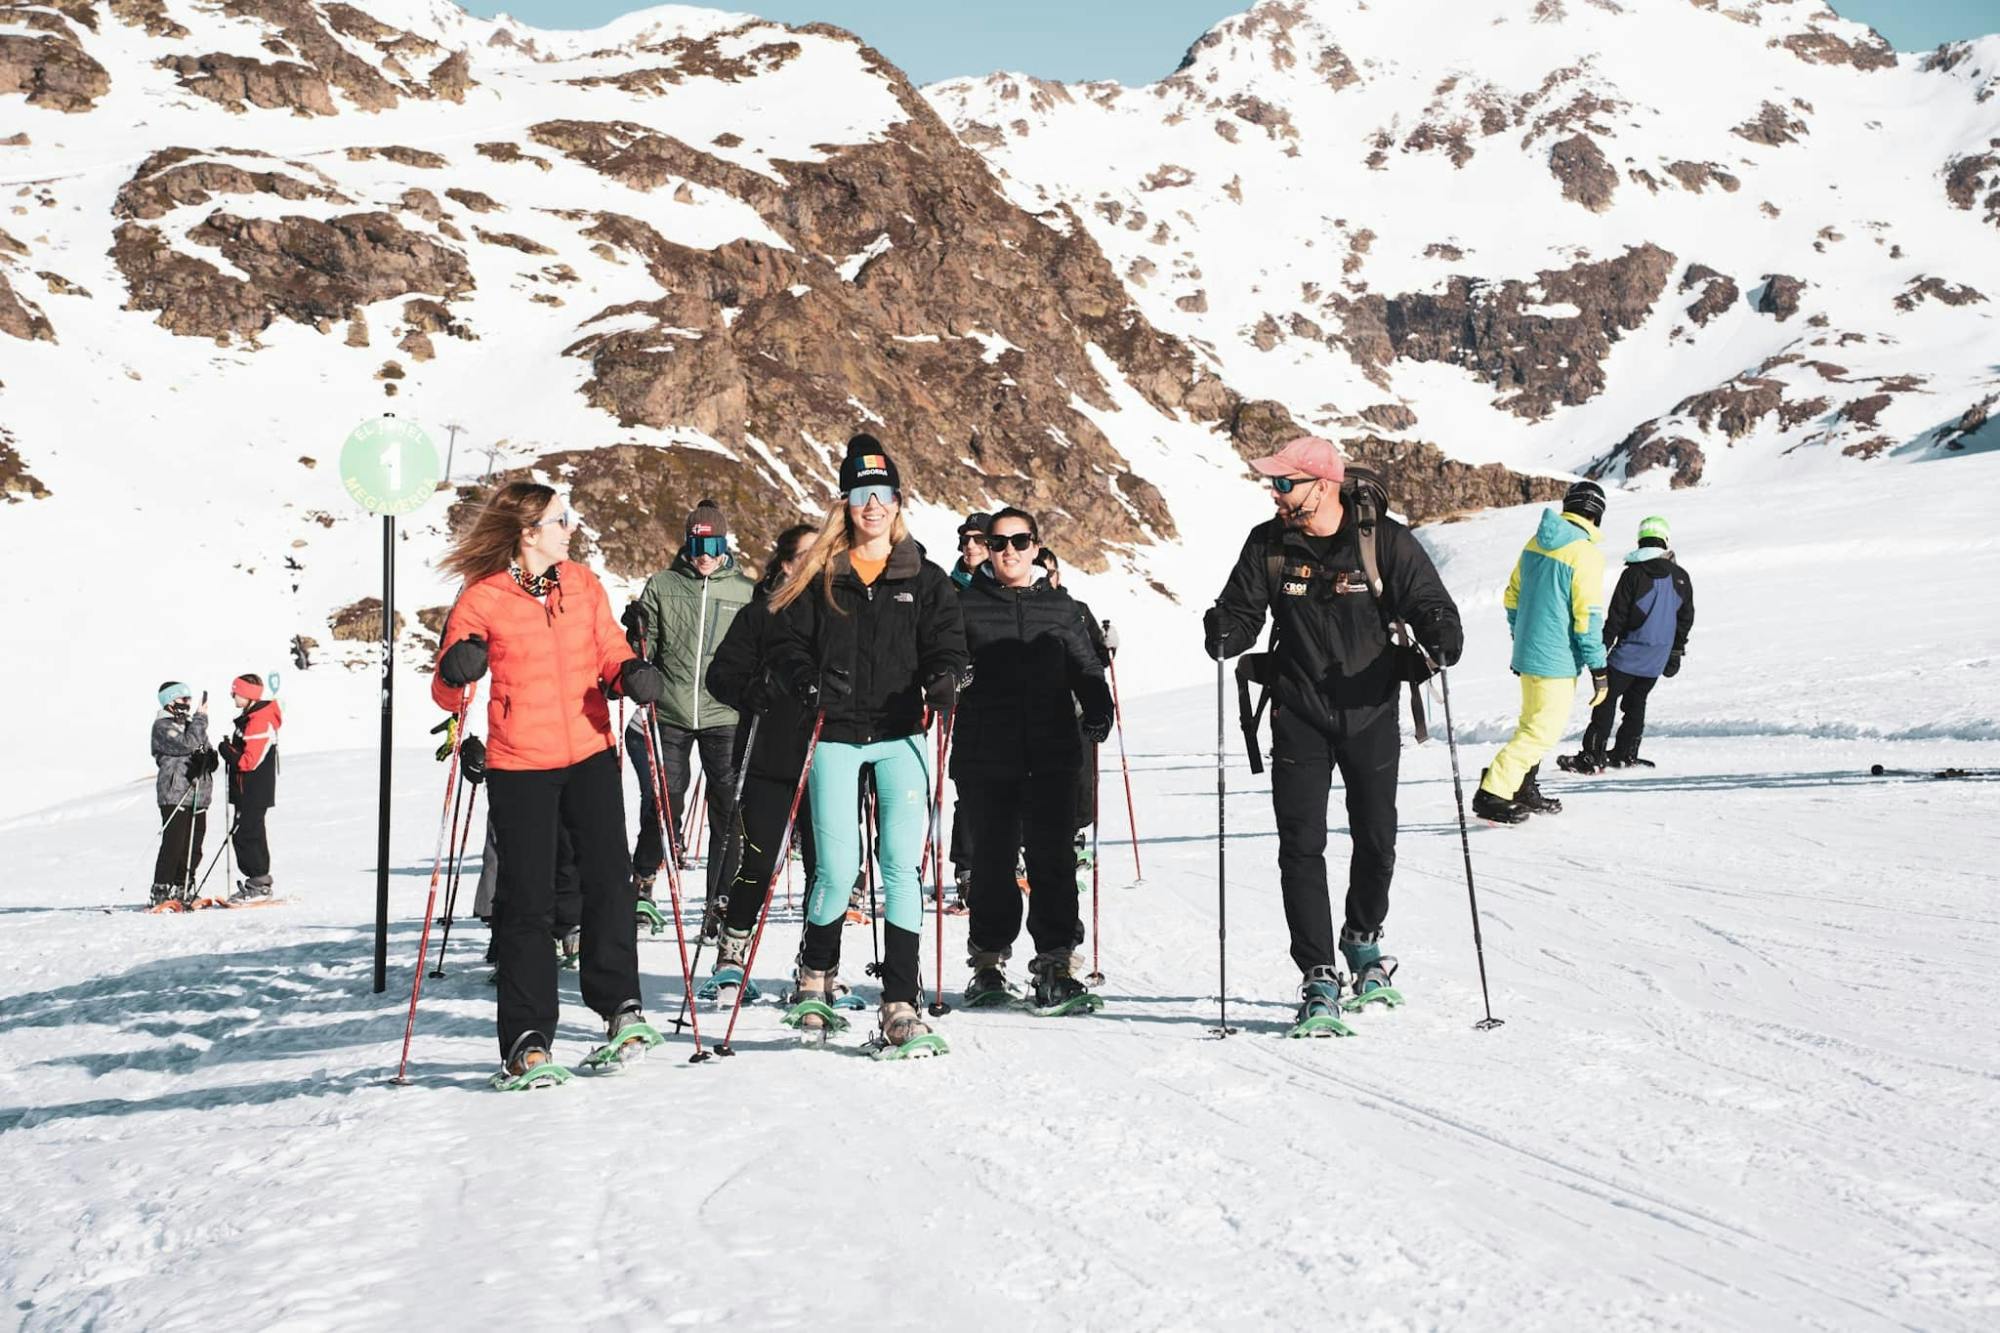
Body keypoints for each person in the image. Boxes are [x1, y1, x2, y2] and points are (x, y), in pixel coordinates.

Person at [1203, 437, 1462, 1030]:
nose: (1275, 492)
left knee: (1377, 839)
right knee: (1300, 845)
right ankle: (1318, 973)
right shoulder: (1267, 544)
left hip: (1371, 713)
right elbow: (1241, 612)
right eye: (1273, 483)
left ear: (1322, 484)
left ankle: (1362, 937)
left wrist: (1441, 631)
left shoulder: (1382, 540)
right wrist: (1225, 629)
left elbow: (1427, 601)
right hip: (1298, 714)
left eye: (1285, 483)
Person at [432, 481, 669, 1087]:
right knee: (528, 904)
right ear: (528, 531)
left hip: (590, 751)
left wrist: (630, 673)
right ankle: (528, 1039)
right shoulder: (483, 598)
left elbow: (609, 650)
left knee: (610, 884)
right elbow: (447, 687)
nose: (571, 527)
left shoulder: (582, 583)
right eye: (561, 520)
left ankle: (621, 1008)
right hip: (520, 765)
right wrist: (459, 671)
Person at [769, 434, 968, 1056]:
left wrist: (945, 678)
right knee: (836, 869)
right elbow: (787, 644)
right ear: (846, 502)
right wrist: (802, 678)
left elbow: (952, 649)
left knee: (901, 867)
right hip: (835, 734)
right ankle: (815, 976)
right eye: (861, 494)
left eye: (882, 494)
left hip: (901, 734)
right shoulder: (821, 575)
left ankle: (900, 1002)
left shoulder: (926, 579)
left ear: (899, 501)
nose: (872, 505)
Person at [954, 508, 1114, 1012]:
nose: (1008, 552)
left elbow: (1085, 666)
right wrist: (954, 680)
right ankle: (987, 962)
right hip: (987, 753)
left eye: (1018, 542)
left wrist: (1098, 708)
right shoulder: (964, 606)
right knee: (993, 862)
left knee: (1054, 861)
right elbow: (946, 664)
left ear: (1036, 547)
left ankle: (1055, 962)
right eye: (998, 543)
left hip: (1051, 752)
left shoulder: (1061, 606)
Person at [703, 522, 823, 995]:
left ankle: (816, 963)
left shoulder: (839, 615)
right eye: (806, 556)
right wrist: (750, 690)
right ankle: (732, 948)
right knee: (759, 859)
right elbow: (720, 676)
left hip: (827, 756)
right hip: (767, 754)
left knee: (826, 867)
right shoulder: (759, 615)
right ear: (786, 563)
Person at [625, 499, 755, 928]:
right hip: (672, 711)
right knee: (665, 802)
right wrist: (636, 635)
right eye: (696, 543)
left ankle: (721, 898)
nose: (704, 553)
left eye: (713, 543)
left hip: (725, 714)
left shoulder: (744, 590)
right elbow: (645, 648)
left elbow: (754, 651)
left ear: (725, 544)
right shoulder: (663, 585)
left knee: (728, 807)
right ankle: (643, 879)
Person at [1472, 480, 1611, 824]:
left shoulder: (1535, 543)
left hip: (1530, 653)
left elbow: (1511, 597)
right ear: (1596, 514)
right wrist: (1599, 668)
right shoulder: (1585, 554)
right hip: (1556, 660)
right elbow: (1587, 619)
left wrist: (1522, 637)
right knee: (1540, 732)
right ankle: (1492, 792)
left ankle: (1522, 787)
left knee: (1531, 723)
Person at [1567, 514, 1694, 772]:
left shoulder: (1634, 574)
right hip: (1657, 659)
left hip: (1627, 655)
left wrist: (1600, 650)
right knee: (1637, 704)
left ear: (1640, 540)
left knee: (1606, 700)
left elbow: (1617, 617)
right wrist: (1676, 652)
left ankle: (1592, 756)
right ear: (1665, 541)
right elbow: (1685, 618)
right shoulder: (1681, 577)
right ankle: (1626, 754)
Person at [149, 682, 216, 907]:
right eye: (183, 699)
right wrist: (200, 718)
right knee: (174, 843)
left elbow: (202, 746)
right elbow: (187, 744)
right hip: (175, 792)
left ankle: (183, 885)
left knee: (194, 845)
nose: (187, 703)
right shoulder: (162, 726)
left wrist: (209, 758)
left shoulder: (190, 724)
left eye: (189, 699)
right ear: (170, 701)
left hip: (198, 791)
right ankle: (161, 888)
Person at [217, 673, 282, 903]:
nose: (232, 695)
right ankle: (256, 883)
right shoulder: (252, 717)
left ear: (247, 694)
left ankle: (260, 885)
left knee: (248, 835)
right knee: (244, 834)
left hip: (253, 790)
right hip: (248, 789)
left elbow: (248, 761)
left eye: (235, 691)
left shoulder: (258, 720)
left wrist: (227, 751)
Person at [949, 512, 992, 591]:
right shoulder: (942, 590)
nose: (970, 545)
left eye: (979, 539)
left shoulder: (1011, 591)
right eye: (965, 539)